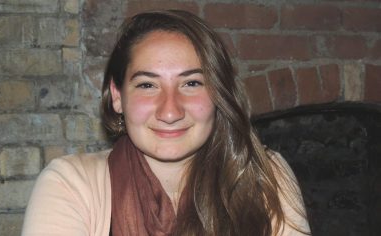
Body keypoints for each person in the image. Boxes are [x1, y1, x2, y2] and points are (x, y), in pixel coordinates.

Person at [22, 10, 311, 236]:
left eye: (192, 83)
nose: (170, 111)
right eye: (147, 85)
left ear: (219, 94)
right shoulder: (71, 184)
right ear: (117, 96)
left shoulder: (266, 176)